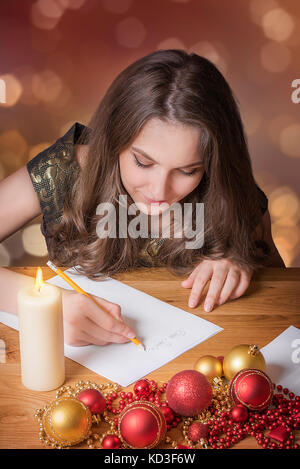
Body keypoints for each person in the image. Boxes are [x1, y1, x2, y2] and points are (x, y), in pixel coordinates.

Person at [0, 49, 285, 347]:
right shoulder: (65, 170)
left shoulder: (233, 198)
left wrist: (245, 263)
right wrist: (45, 305)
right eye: (143, 163)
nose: (159, 192)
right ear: (114, 140)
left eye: (188, 171)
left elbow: (284, 298)